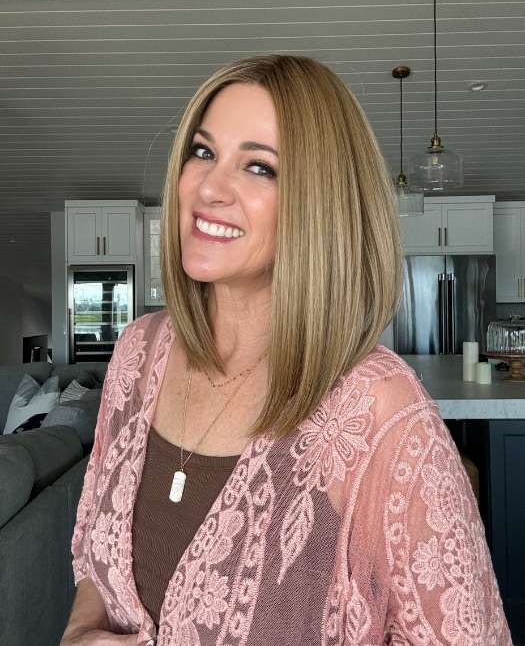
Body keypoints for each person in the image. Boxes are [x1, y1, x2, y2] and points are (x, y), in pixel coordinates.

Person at [60, 55, 511, 646]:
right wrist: (78, 630)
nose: (209, 188)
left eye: (259, 167)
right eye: (203, 152)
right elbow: (96, 554)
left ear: (320, 205)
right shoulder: (138, 353)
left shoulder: (378, 411)